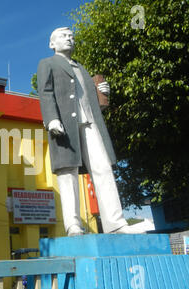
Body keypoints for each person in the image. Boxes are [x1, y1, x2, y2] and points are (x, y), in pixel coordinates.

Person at [37, 27, 143, 236]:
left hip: (91, 123)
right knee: (68, 173)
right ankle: (73, 225)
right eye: (63, 36)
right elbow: (45, 92)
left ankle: (116, 223)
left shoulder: (82, 68)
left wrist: (102, 96)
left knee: (103, 168)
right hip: (64, 126)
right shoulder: (47, 63)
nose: (69, 39)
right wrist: (52, 119)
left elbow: (87, 99)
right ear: (52, 43)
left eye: (71, 37)